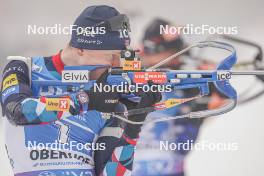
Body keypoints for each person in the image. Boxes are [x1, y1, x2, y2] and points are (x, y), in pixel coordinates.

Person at [0, 5, 161, 176]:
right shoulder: (26, 68)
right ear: (81, 49)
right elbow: (17, 111)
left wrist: (131, 131)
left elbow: (110, 174)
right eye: (112, 56)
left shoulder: (111, 100)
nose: (116, 65)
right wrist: (84, 100)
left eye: (121, 57)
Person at [133, 18, 225, 176]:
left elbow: (221, 101)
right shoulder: (126, 79)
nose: (176, 59)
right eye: (170, 53)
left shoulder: (190, 85)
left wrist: (217, 80)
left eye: (177, 53)